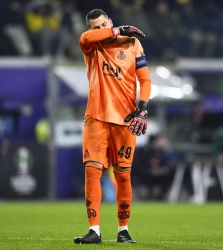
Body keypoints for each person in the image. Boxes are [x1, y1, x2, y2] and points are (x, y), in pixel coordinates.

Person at [74, 9, 151, 244]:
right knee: (92, 172)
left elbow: (145, 80)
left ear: (110, 22)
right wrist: (117, 30)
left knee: (123, 177)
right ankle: (94, 231)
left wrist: (144, 108)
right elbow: (85, 38)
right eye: (95, 27)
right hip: (96, 118)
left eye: (103, 25)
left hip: (126, 121)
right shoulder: (92, 45)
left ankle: (123, 230)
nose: (99, 30)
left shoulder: (132, 43)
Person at [133, 134, 180, 200]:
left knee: (169, 176)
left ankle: (160, 197)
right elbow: (139, 167)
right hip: (145, 174)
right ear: (154, 142)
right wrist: (151, 171)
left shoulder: (163, 152)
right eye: (161, 140)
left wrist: (162, 170)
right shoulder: (143, 152)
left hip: (160, 175)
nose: (164, 142)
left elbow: (170, 164)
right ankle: (149, 197)